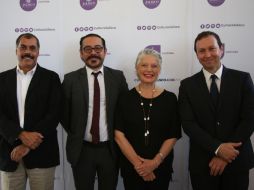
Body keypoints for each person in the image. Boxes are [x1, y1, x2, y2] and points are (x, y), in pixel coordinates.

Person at [178, 31, 254, 190]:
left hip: (236, 161)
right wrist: (218, 149)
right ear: (197, 55)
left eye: (212, 48)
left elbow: (249, 119)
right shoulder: (187, 85)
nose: (207, 55)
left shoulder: (242, 79)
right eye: (202, 51)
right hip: (203, 164)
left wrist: (226, 155)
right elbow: (188, 124)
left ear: (221, 49)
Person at [61, 33, 128, 190]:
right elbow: (64, 114)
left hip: (110, 150)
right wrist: (76, 132)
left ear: (105, 51)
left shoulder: (117, 77)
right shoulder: (70, 79)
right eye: (88, 49)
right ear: (81, 53)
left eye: (98, 48)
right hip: (81, 150)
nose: (93, 52)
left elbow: (124, 112)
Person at [0, 33, 61, 190]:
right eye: (23, 47)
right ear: (16, 51)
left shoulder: (51, 78)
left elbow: (54, 114)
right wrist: (20, 135)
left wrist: (28, 144)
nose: (28, 51)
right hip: (9, 153)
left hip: (43, 153)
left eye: (32, 48)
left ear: (38, 52)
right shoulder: (2, 79)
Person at [114, 48, 181, 190]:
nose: (149, 69)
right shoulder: (124, 98)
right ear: (136, 68)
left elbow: (173, 135)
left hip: (160, 168)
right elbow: (119, 135)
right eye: (144, 65)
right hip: (132, 168)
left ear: (160, 69)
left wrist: (154, 163)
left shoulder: (170, 98)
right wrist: (140, 166)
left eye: (154, 65)